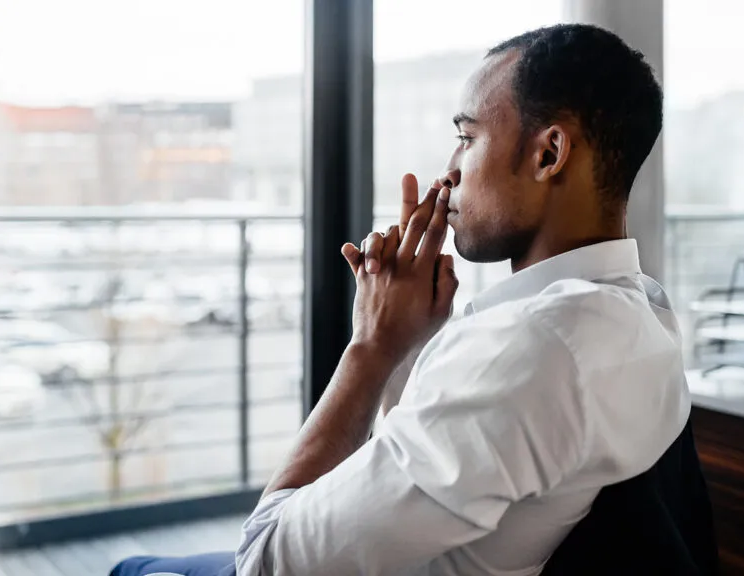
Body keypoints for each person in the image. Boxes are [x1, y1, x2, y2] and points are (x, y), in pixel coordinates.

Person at [113, 22, 685, 576]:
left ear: (548, 153)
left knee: (127, 567)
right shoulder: (642, 310)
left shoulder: (534, 349)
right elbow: (438, 463)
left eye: (467, 138)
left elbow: (265, 559)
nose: (449, 172)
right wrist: (413, 341)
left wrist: (372, 347)